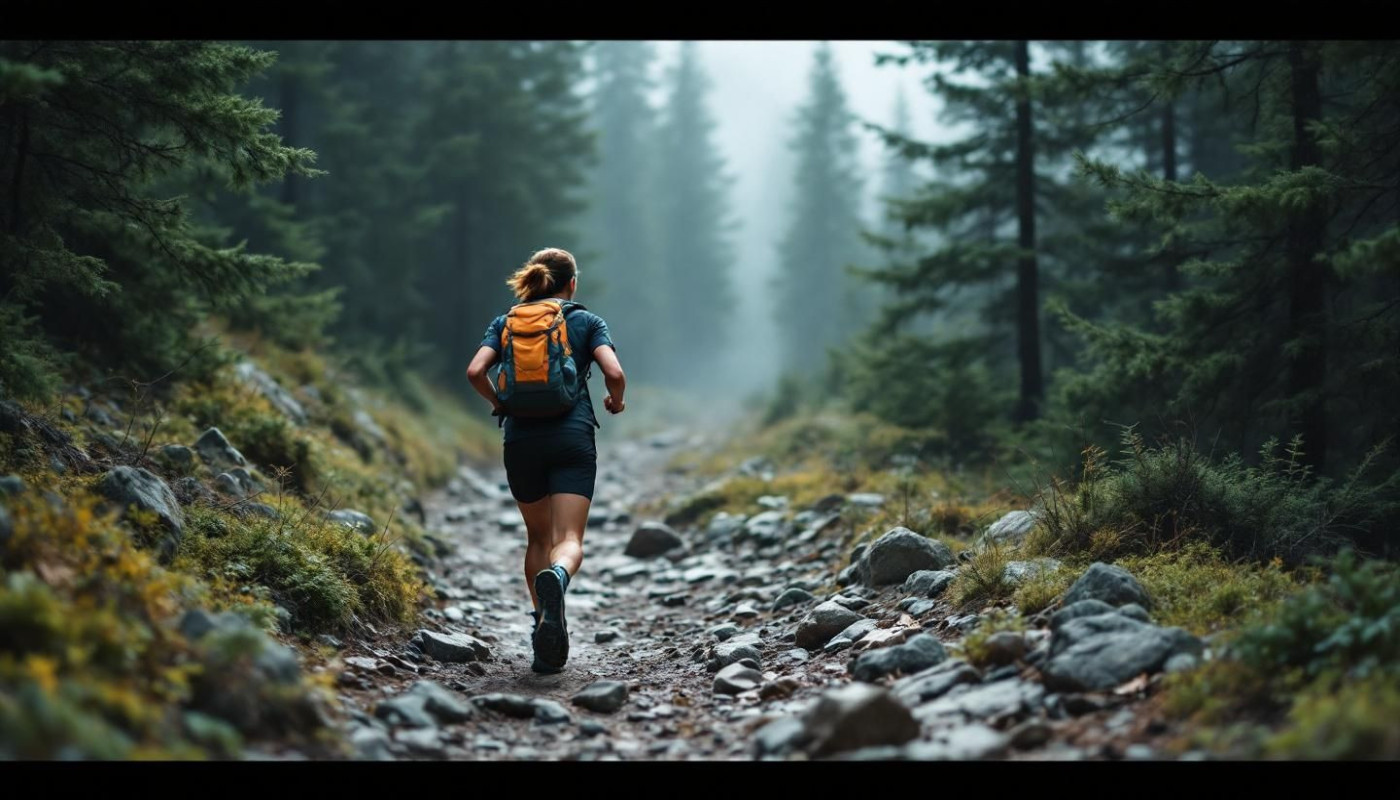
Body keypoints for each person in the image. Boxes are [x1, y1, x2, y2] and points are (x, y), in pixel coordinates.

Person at [465, 247, 626, 673]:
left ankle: (542, 622)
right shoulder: (587, 321)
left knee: (536, 538)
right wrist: (616, 401)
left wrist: (499, 403)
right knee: (568, 539)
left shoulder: (505, 323)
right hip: (572, 437)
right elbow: (614, 373)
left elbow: (474, 372)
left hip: (521, 440)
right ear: (572, 283)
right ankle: (559, 576)